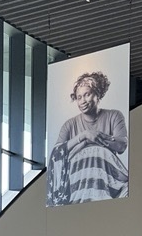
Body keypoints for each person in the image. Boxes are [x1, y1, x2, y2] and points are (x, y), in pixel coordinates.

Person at [48, 71, 128, 205]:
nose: (83, 101)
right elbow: (56, 153)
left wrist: (96, 138)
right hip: (77, 181)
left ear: (98, 94)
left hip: (106, 177)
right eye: (79, 97)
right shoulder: (69, 125)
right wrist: (83, 137)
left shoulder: (114, 116)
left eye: (87, 95)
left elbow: (121, 146)